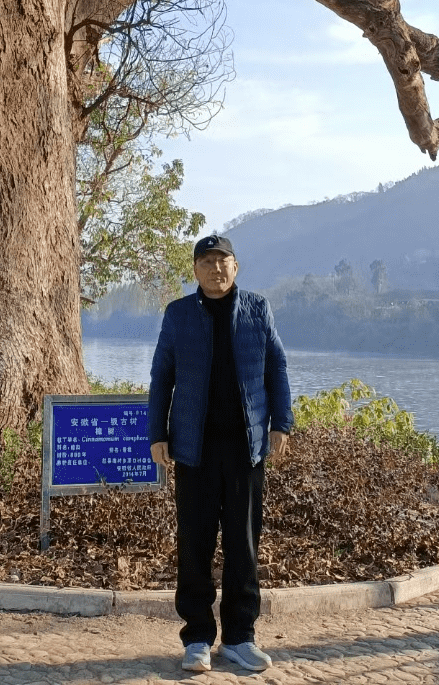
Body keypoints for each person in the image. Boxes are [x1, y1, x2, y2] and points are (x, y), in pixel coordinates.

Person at [149, 233, 293, 674]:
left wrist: (281, 422)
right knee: (194, 543)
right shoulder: (178, 314)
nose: (216, 268)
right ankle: (196, 637)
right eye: (207, 261)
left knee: (243, 544)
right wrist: (157, 434)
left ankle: (239, 637)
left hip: (246, 448)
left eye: (223, 260)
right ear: (195, 269)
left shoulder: (257, 309)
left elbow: (277, 366)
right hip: (193, 449)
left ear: (236, 266)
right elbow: (161, 377)